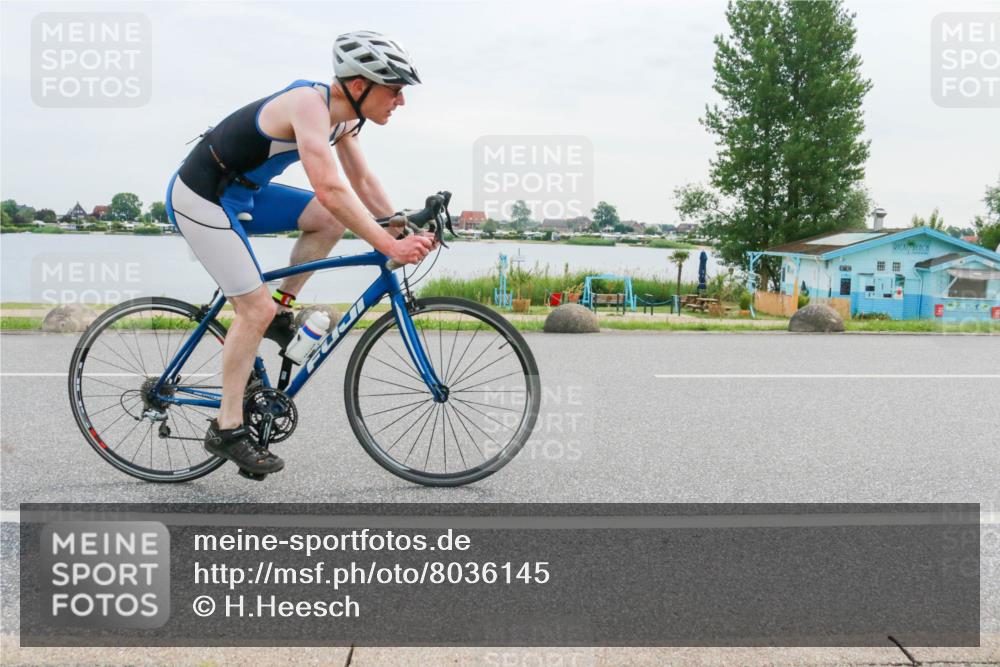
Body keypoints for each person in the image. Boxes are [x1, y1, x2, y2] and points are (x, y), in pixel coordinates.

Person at [165, 31, 434, 477]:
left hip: (246, 193)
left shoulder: (346, 120)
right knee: (253, 309)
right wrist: (388, 245)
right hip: (202, 196)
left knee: (326, 225)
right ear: (361, 85)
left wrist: (401, 224)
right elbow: (328, 187)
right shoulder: (308, 104)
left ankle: (281, 313)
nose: (401, 101)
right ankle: (227, 427)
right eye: (395, 89)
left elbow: (362, 183)